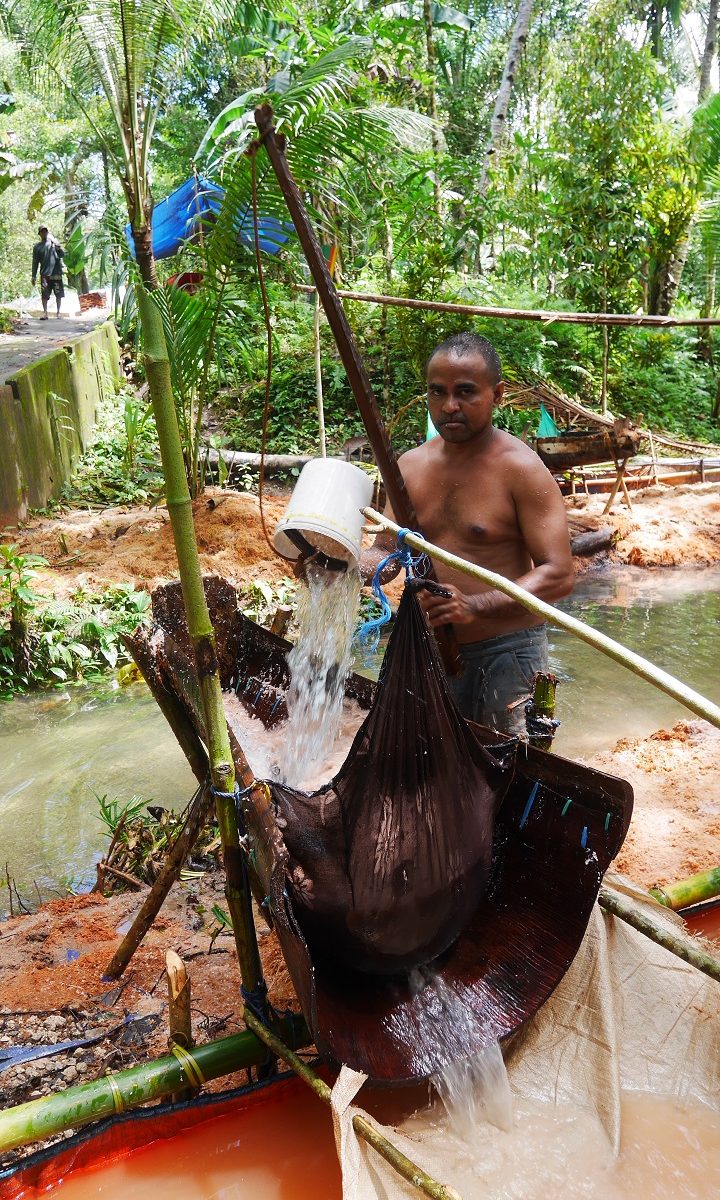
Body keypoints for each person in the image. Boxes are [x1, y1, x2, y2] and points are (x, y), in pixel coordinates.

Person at [361, 331, 574, 736]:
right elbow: (385, 555)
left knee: (506, 768)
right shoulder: (408, 467)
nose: (449, 406)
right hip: (427, 650)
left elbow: (559, 574)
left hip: (508, 653)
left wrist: (477, 605)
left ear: (498, 394)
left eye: (465, 392)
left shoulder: (522, 469)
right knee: (428, 770)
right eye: (437, 392)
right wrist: (340, 566)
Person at [31, 227, 65, 320]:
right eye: (42, 231)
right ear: (39, 234)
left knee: (58, 294)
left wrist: (59, 247)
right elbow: (35, 262)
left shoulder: (54, 243)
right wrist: (33, 276)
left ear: (47, 232)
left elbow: (62, 255)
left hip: (56, 273)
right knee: (45, 294)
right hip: (45, 274)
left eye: (45, 231)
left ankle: (58, 313)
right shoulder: (37, 247)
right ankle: (45, 313)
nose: (44, 233)